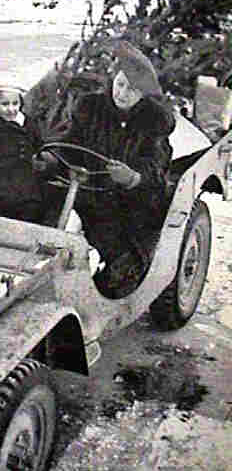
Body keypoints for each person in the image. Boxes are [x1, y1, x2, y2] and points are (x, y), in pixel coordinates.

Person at [34, 40, 176, 297]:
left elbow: (157, 165)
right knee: (46, 220)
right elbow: (69, 141)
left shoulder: (153, 121)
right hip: (87, 191)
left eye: (131, 90)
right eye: (120, 84)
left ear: (143, 95)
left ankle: (112, 274)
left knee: (116, 263)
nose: (122, 93)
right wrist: (52, 158)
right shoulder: (91, 107)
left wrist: (132, 178)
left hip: (128, 203)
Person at [0, 62, 45, 223]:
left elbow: (40, 144)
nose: (11, 109)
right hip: (6, 186)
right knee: (6, 216)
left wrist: (41, 158)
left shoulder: (29, 123)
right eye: (4, 104)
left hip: (29, 184)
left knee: (32, 212)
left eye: (15, 103)